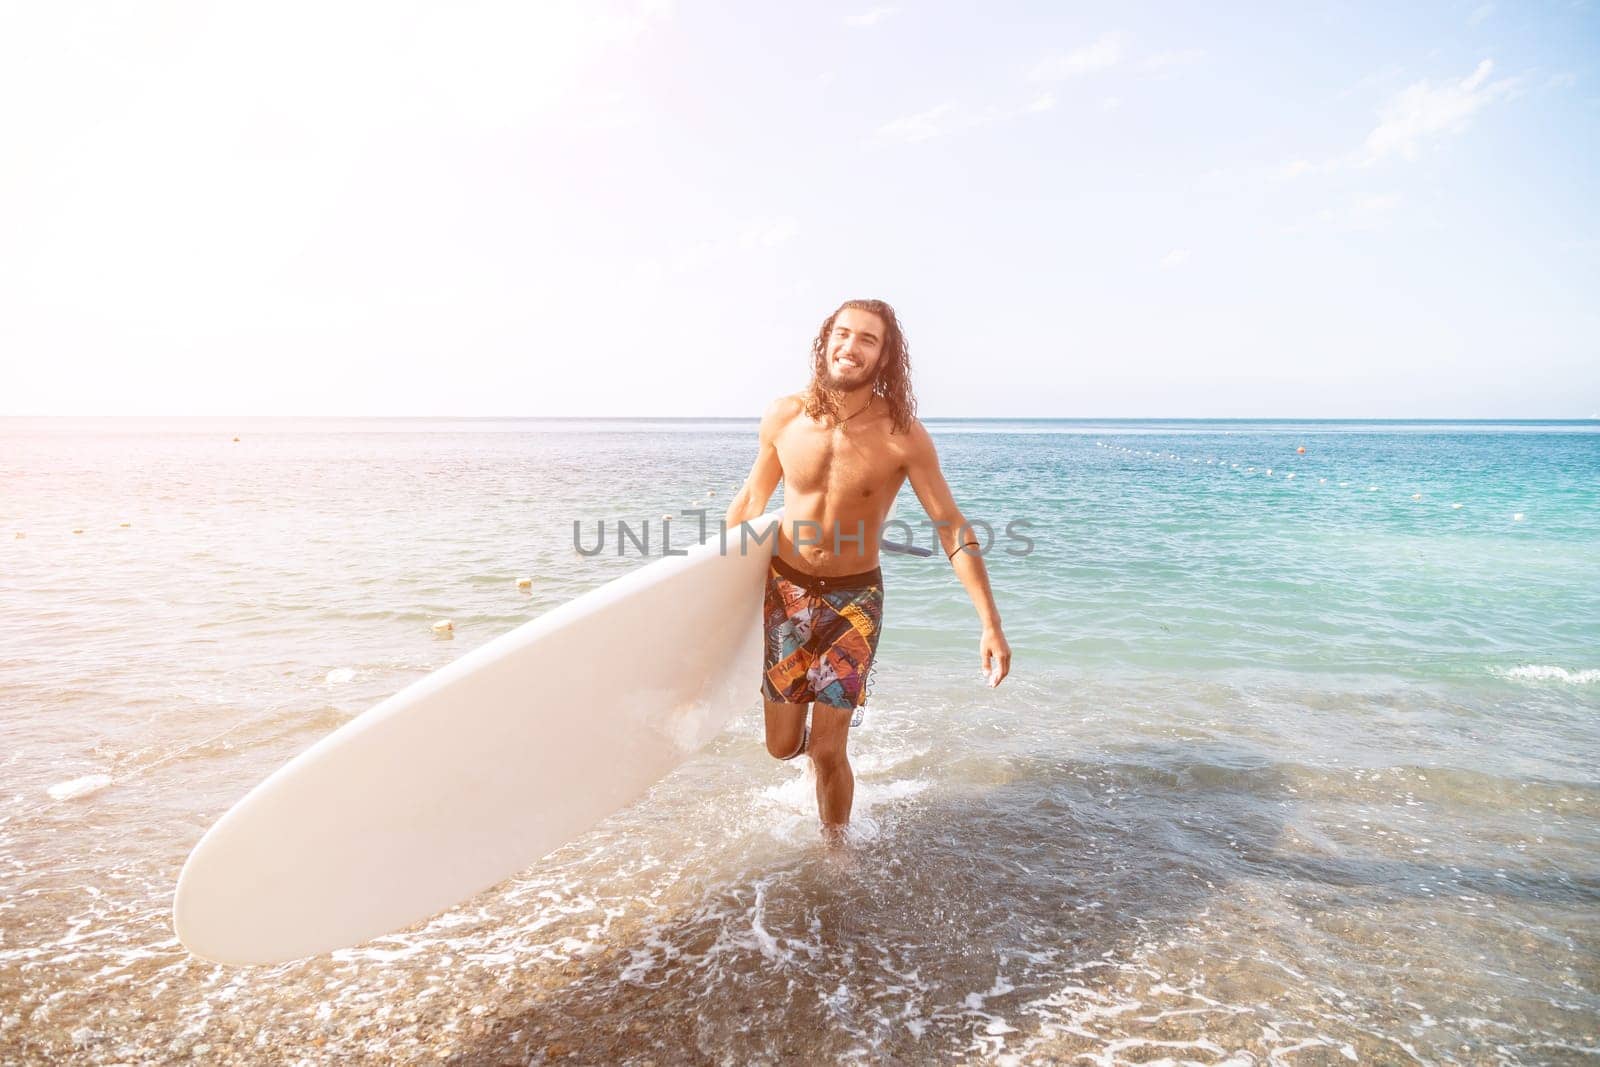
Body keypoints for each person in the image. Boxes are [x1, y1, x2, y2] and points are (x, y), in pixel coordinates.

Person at [723, 298, 1012, 839]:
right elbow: (749, 504)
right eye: (843, 333)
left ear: (885, 357)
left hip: (854, 603)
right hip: (784, 593)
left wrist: (989, 623)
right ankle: (816, 724)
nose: (850, 348)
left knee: (829, 751)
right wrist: (712, 592)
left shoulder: (901, 433)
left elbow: (950, 524)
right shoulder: (785, 416)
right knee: (782, 747)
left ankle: (837, 855)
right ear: (825, 339)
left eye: (868, 340)